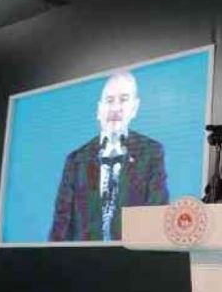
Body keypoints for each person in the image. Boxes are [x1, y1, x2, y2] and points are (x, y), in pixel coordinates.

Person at [49, 71, 169, 241]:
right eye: (109, 100)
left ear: (134, 108)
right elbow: (60, 227)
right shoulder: (76, 160)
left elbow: (156, 215)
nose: (115, 108)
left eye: (123, 99)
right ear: (99, 109)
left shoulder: (151, 152)